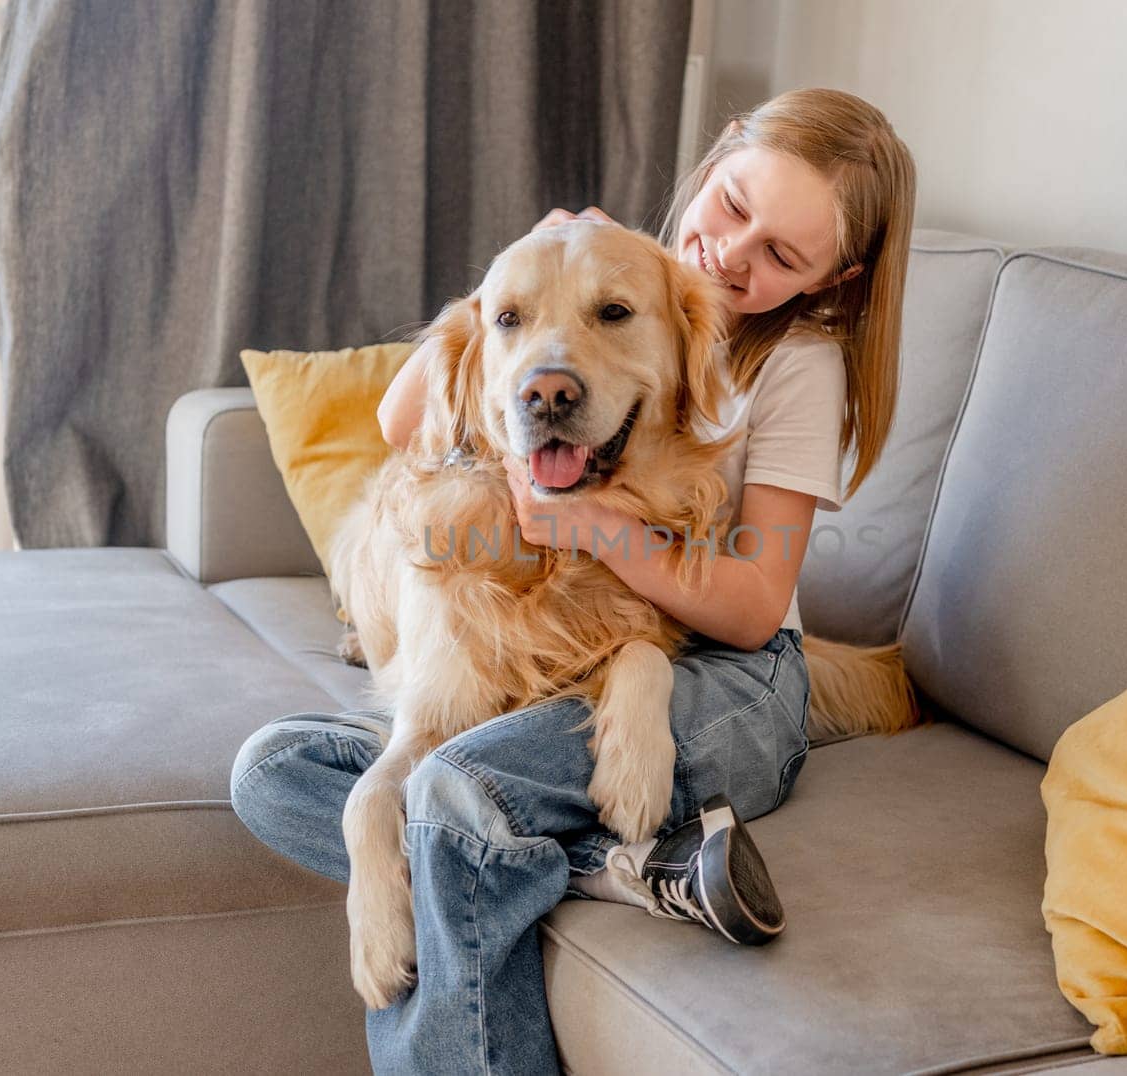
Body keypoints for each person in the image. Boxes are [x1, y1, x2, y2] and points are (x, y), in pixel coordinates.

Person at [229, 87, 916, 1074]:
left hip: (732, 668)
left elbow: (754, 604)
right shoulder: (600, 270)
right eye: (731, 208)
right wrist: (507, 284)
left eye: (782, 255)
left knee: (454, 789)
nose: (731, 255)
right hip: (615, 643)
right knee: (275, 771)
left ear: (835, 276)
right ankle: (621, 870)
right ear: (715, 158)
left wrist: (589, 525)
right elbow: (414, 411)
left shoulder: (794, 361)